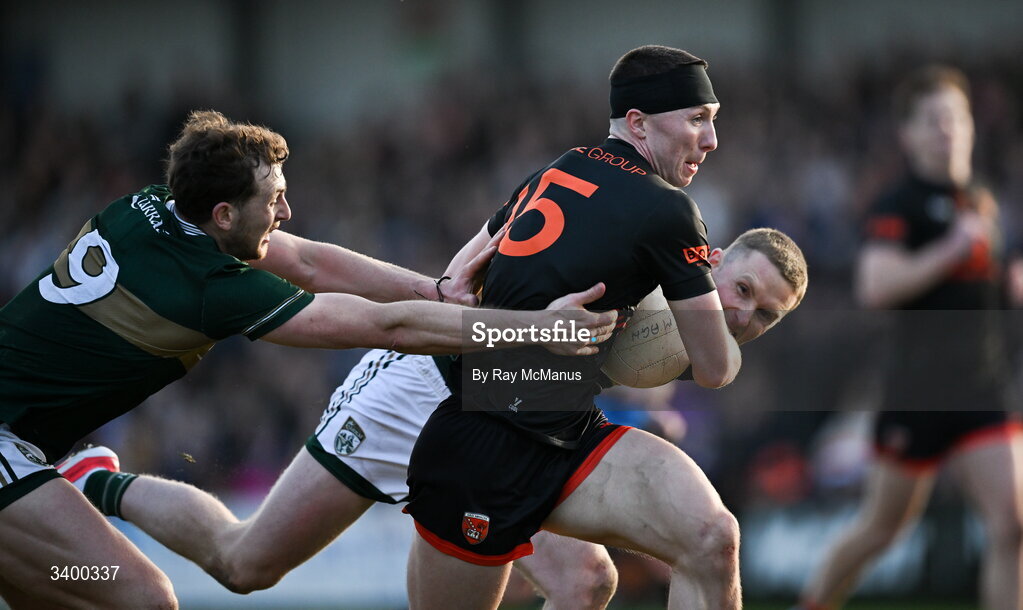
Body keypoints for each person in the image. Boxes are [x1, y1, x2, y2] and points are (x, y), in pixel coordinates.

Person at [0, 110, 617, 609]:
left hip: (21, 445)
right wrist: (532, 329)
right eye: (274, 199)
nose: (286, 212)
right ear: (224, 214)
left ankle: (94, 482)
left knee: (59, 592)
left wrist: (434, 289)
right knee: (144, 599)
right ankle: (90, 482)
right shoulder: (212, 286)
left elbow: (310, 260)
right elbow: (385, 327)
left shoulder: (158, 208)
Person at [57, 227, 800, 609]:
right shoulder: (646, 253)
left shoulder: (693, 336)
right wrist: (455, 279)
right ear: (714, 261)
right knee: (245, 562)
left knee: (583, 579)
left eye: (766, 313)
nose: (745, 314)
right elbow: (504, 242)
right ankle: (101, 481)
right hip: (418, 396)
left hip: (500, 428)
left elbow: (561, 376)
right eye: (741, 289)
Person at [403, 45, 808, 610]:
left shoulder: (563, 165)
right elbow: (715, 369)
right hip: (485, 438)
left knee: (707, 540)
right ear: (639, 122)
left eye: (713, 121)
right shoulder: (668, 209)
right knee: (253, 563)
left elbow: (453, 278)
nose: (712, 140)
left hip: (560, 424)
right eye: (698, 119)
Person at [796, 66, 1023, 610]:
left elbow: (974, 292)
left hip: (982, 389)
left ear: (971, 126)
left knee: (1013, 525)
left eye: (955, 118)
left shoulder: (982, 201)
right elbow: (874, 287)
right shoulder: (897, 204)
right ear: (909, 134)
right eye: (933, 120)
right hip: (916, 393)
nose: (947, 130)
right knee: (882, 530)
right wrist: (948, 250)